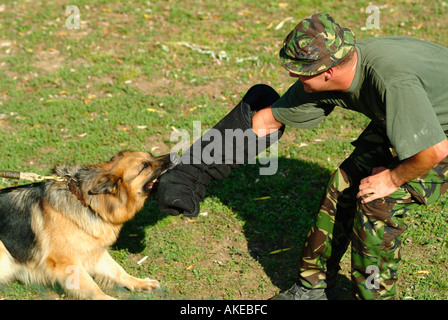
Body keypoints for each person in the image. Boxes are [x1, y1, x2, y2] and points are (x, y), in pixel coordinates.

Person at [157, 12, 448, 300]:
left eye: (299, 70)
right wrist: (189, 171)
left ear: (327, 72)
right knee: (344, 184)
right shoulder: (333, 69)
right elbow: (266, 122)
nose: (292, 76)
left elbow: (433, 151)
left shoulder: (391, 81)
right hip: (412, 115)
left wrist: (392, 178)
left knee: (378, 202)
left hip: (438, 135)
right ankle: (313, 289)